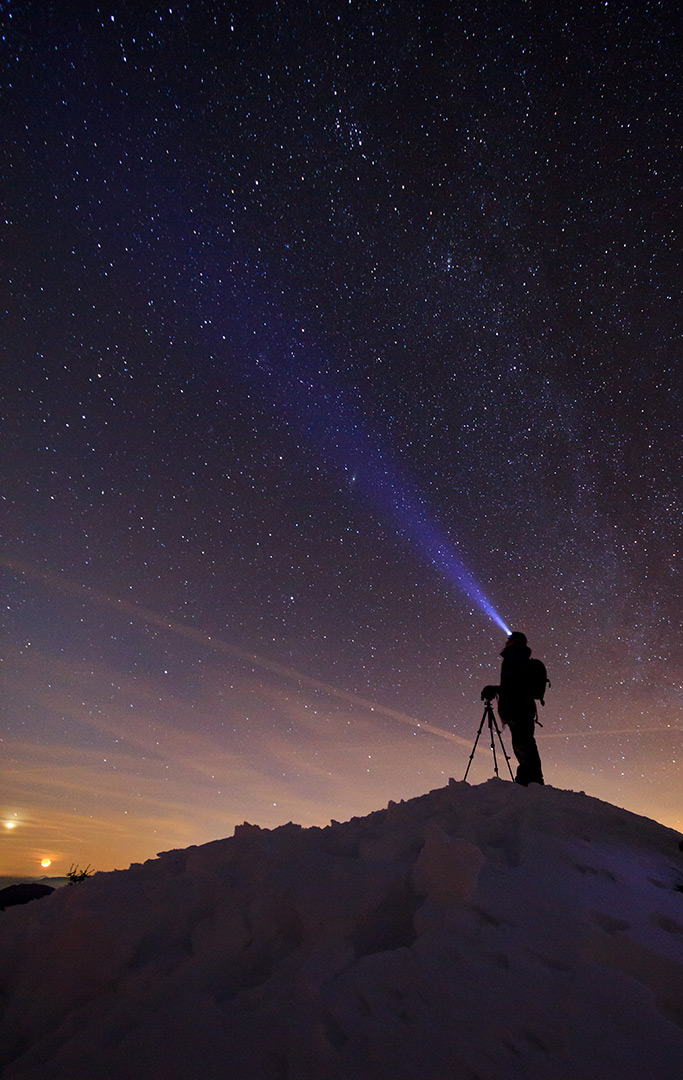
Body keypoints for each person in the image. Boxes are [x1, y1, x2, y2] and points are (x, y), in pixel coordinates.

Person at [485, 631, 544, 786]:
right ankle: (529, 777)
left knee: (523, 743)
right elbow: (514, 685)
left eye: (509, 640)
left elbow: (514, 686)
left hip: (518, 708)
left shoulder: (515, 658)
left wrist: (496, 690)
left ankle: (532, 779)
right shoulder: (518, 658)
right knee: (522, 742)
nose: (507, 642)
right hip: (521, 707)